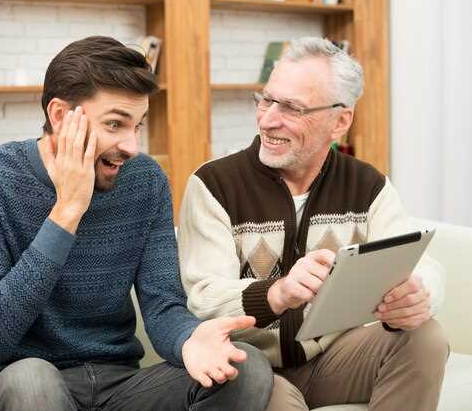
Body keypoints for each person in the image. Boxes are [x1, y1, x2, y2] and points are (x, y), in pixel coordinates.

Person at [0, 36, 273, 411]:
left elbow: (162, 303)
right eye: (115, 124)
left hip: (120, 384)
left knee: (246, 367)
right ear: (59, 116)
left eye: (137, 126)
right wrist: (67, 210)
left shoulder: (146, 180)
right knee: (33, 381)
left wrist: (190, 340)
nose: (132, 146)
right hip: (24, 388)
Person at [177, 37, 448, 411]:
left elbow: (416, 260)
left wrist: (421, 293)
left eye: (291, 108)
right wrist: (278, 292)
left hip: (336, 360)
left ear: (340, 120)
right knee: (265, 390)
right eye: (267, 99)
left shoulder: (367, 185)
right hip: (252, 366)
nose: (268, 119)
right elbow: (203, 298)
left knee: (425, 337)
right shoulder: (214, 185)